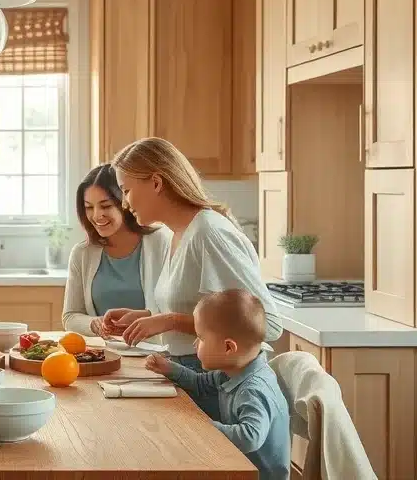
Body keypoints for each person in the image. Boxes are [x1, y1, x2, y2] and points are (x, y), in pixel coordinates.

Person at [103, 137, 282, 419]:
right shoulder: (178, 234)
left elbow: (267, 325)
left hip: (215, 386)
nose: (124, 204)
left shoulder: (209, 234)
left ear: (157, 183)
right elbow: (204, 309)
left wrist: (170, 320)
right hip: (189, 375)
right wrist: (147, 317)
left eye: (127, 191)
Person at [145, 289, 290, 480]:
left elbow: (249, 437)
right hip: (233, 465)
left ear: (228, 347)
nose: (196, 344)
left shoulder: (253, 389)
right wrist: (169, 369)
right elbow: (200, 383)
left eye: (201, 338)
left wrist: (201, 427)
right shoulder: (232, 372)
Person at [61, 164, 172, 337]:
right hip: (104, 354)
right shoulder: (82, 253)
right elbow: (70, 316)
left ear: (125, 203)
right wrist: (94, 324)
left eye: (105, 206)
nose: (97, 215)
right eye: (89, 207)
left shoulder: (161, 241)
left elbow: (175, 311)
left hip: (154, 354)